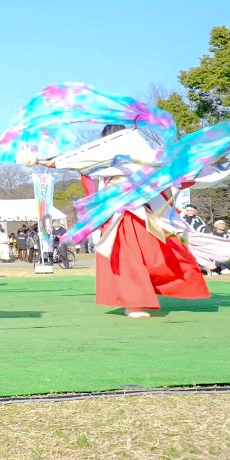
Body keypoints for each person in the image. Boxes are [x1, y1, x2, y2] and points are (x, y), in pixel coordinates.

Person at [40, 124, 209, 318]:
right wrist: (47, 161)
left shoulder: (144, 156)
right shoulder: (100, 160)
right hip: (116, 213)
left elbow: (165, 174)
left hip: (142, 210)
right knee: (126, 257)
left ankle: (147, 293)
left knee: (156, 254)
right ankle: (133, 303)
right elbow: (76, 163)